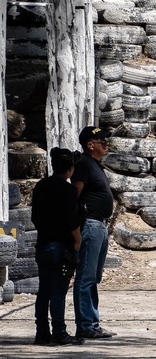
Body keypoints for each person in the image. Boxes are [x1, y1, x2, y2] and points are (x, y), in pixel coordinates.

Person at [32, 148, 83, 346]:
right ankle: (59, 332)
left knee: (43, 291)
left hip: (43, 244)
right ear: (70, 170)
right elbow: (72, 221)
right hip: (60, 246)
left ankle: (41, 332)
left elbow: (34, 217)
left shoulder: (41, 186)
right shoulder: (68, 190)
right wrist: (77, 240)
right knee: (58, 291)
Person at [72, 126, 116, 340]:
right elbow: (74, 197)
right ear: (91, 145)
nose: (106, 144)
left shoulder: (95, 165)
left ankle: (93, 323)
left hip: (99, 225)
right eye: (102, 141)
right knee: (86, 277)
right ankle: (85, 325)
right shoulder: (83, 164)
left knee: (94, 276)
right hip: (89, 225)